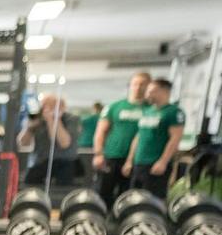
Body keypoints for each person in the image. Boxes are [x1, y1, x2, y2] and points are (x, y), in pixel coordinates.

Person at [93, 71, 150, 203]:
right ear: (130, 85)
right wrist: (98, 154)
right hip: (112, 156)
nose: (138, 87)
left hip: (138, 160)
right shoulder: (115, 107)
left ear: (148, 87)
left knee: (128, 197)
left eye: (142, 84)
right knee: (103, 194)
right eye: (135, 84)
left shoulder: (151, 109)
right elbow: (101, 131)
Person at [125, 77, 186, 196]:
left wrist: (163, 162)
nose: (147, 94)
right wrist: (129, 160)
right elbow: (139, 136)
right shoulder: (147, 111)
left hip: (155, 164)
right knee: (135, 197)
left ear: (164, 91)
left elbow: (175, 139)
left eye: (151, 91)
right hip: (139, 163)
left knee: (152, 201)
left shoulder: (174, 112)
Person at [16, 93, 79, 189]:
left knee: (63, 185)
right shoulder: (36, 119)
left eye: (50, 105)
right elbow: (22, 143)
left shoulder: (71, 119)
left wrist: (53, 120)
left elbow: (64, 143)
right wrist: (29, 128)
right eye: (43, 105)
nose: (45, 109)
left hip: (64, 162)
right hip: (40, 162)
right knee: (29, 182)